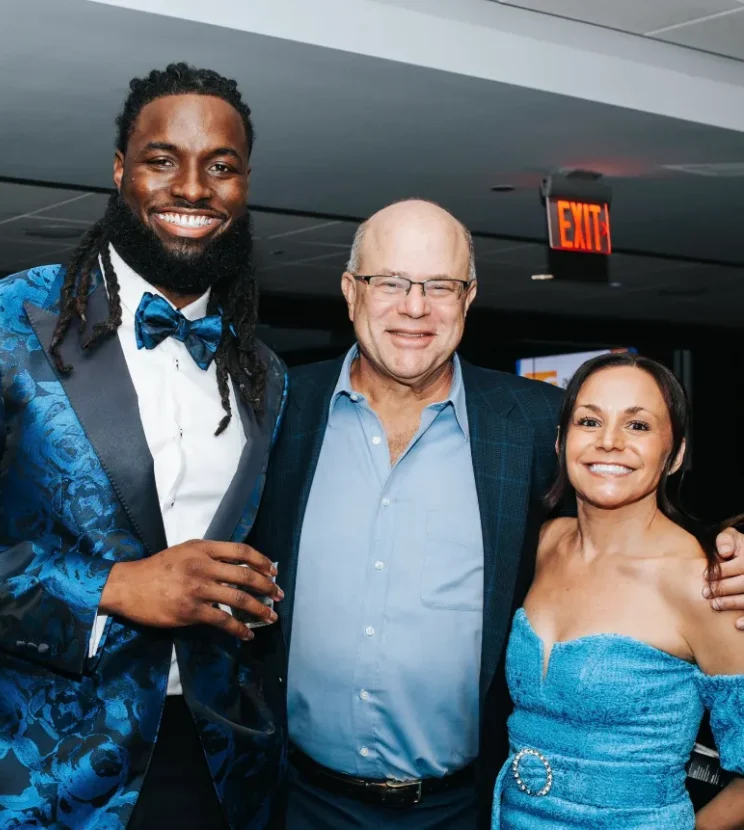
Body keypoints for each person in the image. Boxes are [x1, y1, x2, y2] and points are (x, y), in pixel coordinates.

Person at [0, 63, 287, 829]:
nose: (192, 187)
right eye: (162, 159)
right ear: (121, 170)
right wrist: (112, 587)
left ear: (245, 186)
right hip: (20, 774)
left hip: (210, 769)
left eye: (220, 166)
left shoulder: (262, 371)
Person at [247, 198, 744, 829]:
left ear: (469, 297)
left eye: (440, 286)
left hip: (465, 806)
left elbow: (629, 517)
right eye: (390, 282)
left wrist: (729, 551)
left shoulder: (532, 423)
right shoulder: (278, 407)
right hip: (299, 798)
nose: (415, 307)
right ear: (351, 292)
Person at [492, 353, 744, 828]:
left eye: (638, 425)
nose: (609, 442)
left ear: (676, 454)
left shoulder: (706, 585)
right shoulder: (543, 543)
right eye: (589, 421)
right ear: (561, 441)